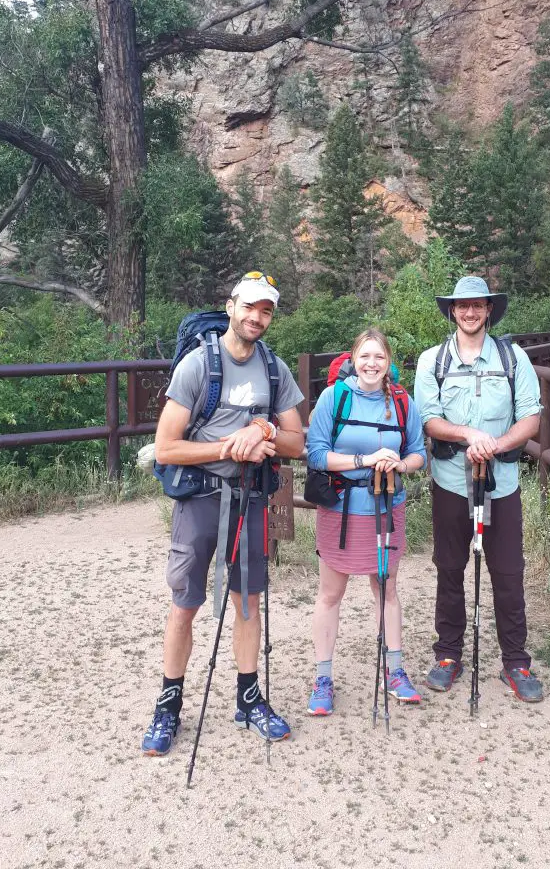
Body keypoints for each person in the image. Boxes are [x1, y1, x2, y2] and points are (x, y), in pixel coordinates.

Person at [142, 272, 305, 756]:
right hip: (200, 498)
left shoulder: (274, 370)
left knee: (248, 599)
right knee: (185, 601)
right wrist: (229, 447)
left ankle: (249, 697)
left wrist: (265, 433)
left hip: (251, 498)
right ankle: (168, 705)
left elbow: (299, 442)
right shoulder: (197, 365)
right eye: (250, 306)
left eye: (267, 310)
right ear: (231, 306)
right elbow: (166, 448)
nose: (257, 317)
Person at [413, 276, 544, 702]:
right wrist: (470, 435)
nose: (470, 313)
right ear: (452, 311)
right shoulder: (432, 360)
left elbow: (530, 418)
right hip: (451, 482)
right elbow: (429, 420)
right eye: (462, 306)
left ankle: (516, 662)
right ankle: (448, 655)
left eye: (478, 306)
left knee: (508, 572)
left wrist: (496, 445)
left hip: (501, 483)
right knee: (450, 567)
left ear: (489, 310)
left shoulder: (513, 358)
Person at [305, 328, 427, 715]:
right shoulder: (334, 397)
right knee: (330, 593)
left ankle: (395, 670)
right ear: (353, 360)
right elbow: (316, 454)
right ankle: (323, 678)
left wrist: (399, 464)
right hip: (341, 508)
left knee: (386, 590)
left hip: (386, 505)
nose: (372, 364)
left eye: (379, 357)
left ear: (389, 362)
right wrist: (364, 461)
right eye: (365, 356)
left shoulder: (403, 403)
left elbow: (418, 453)